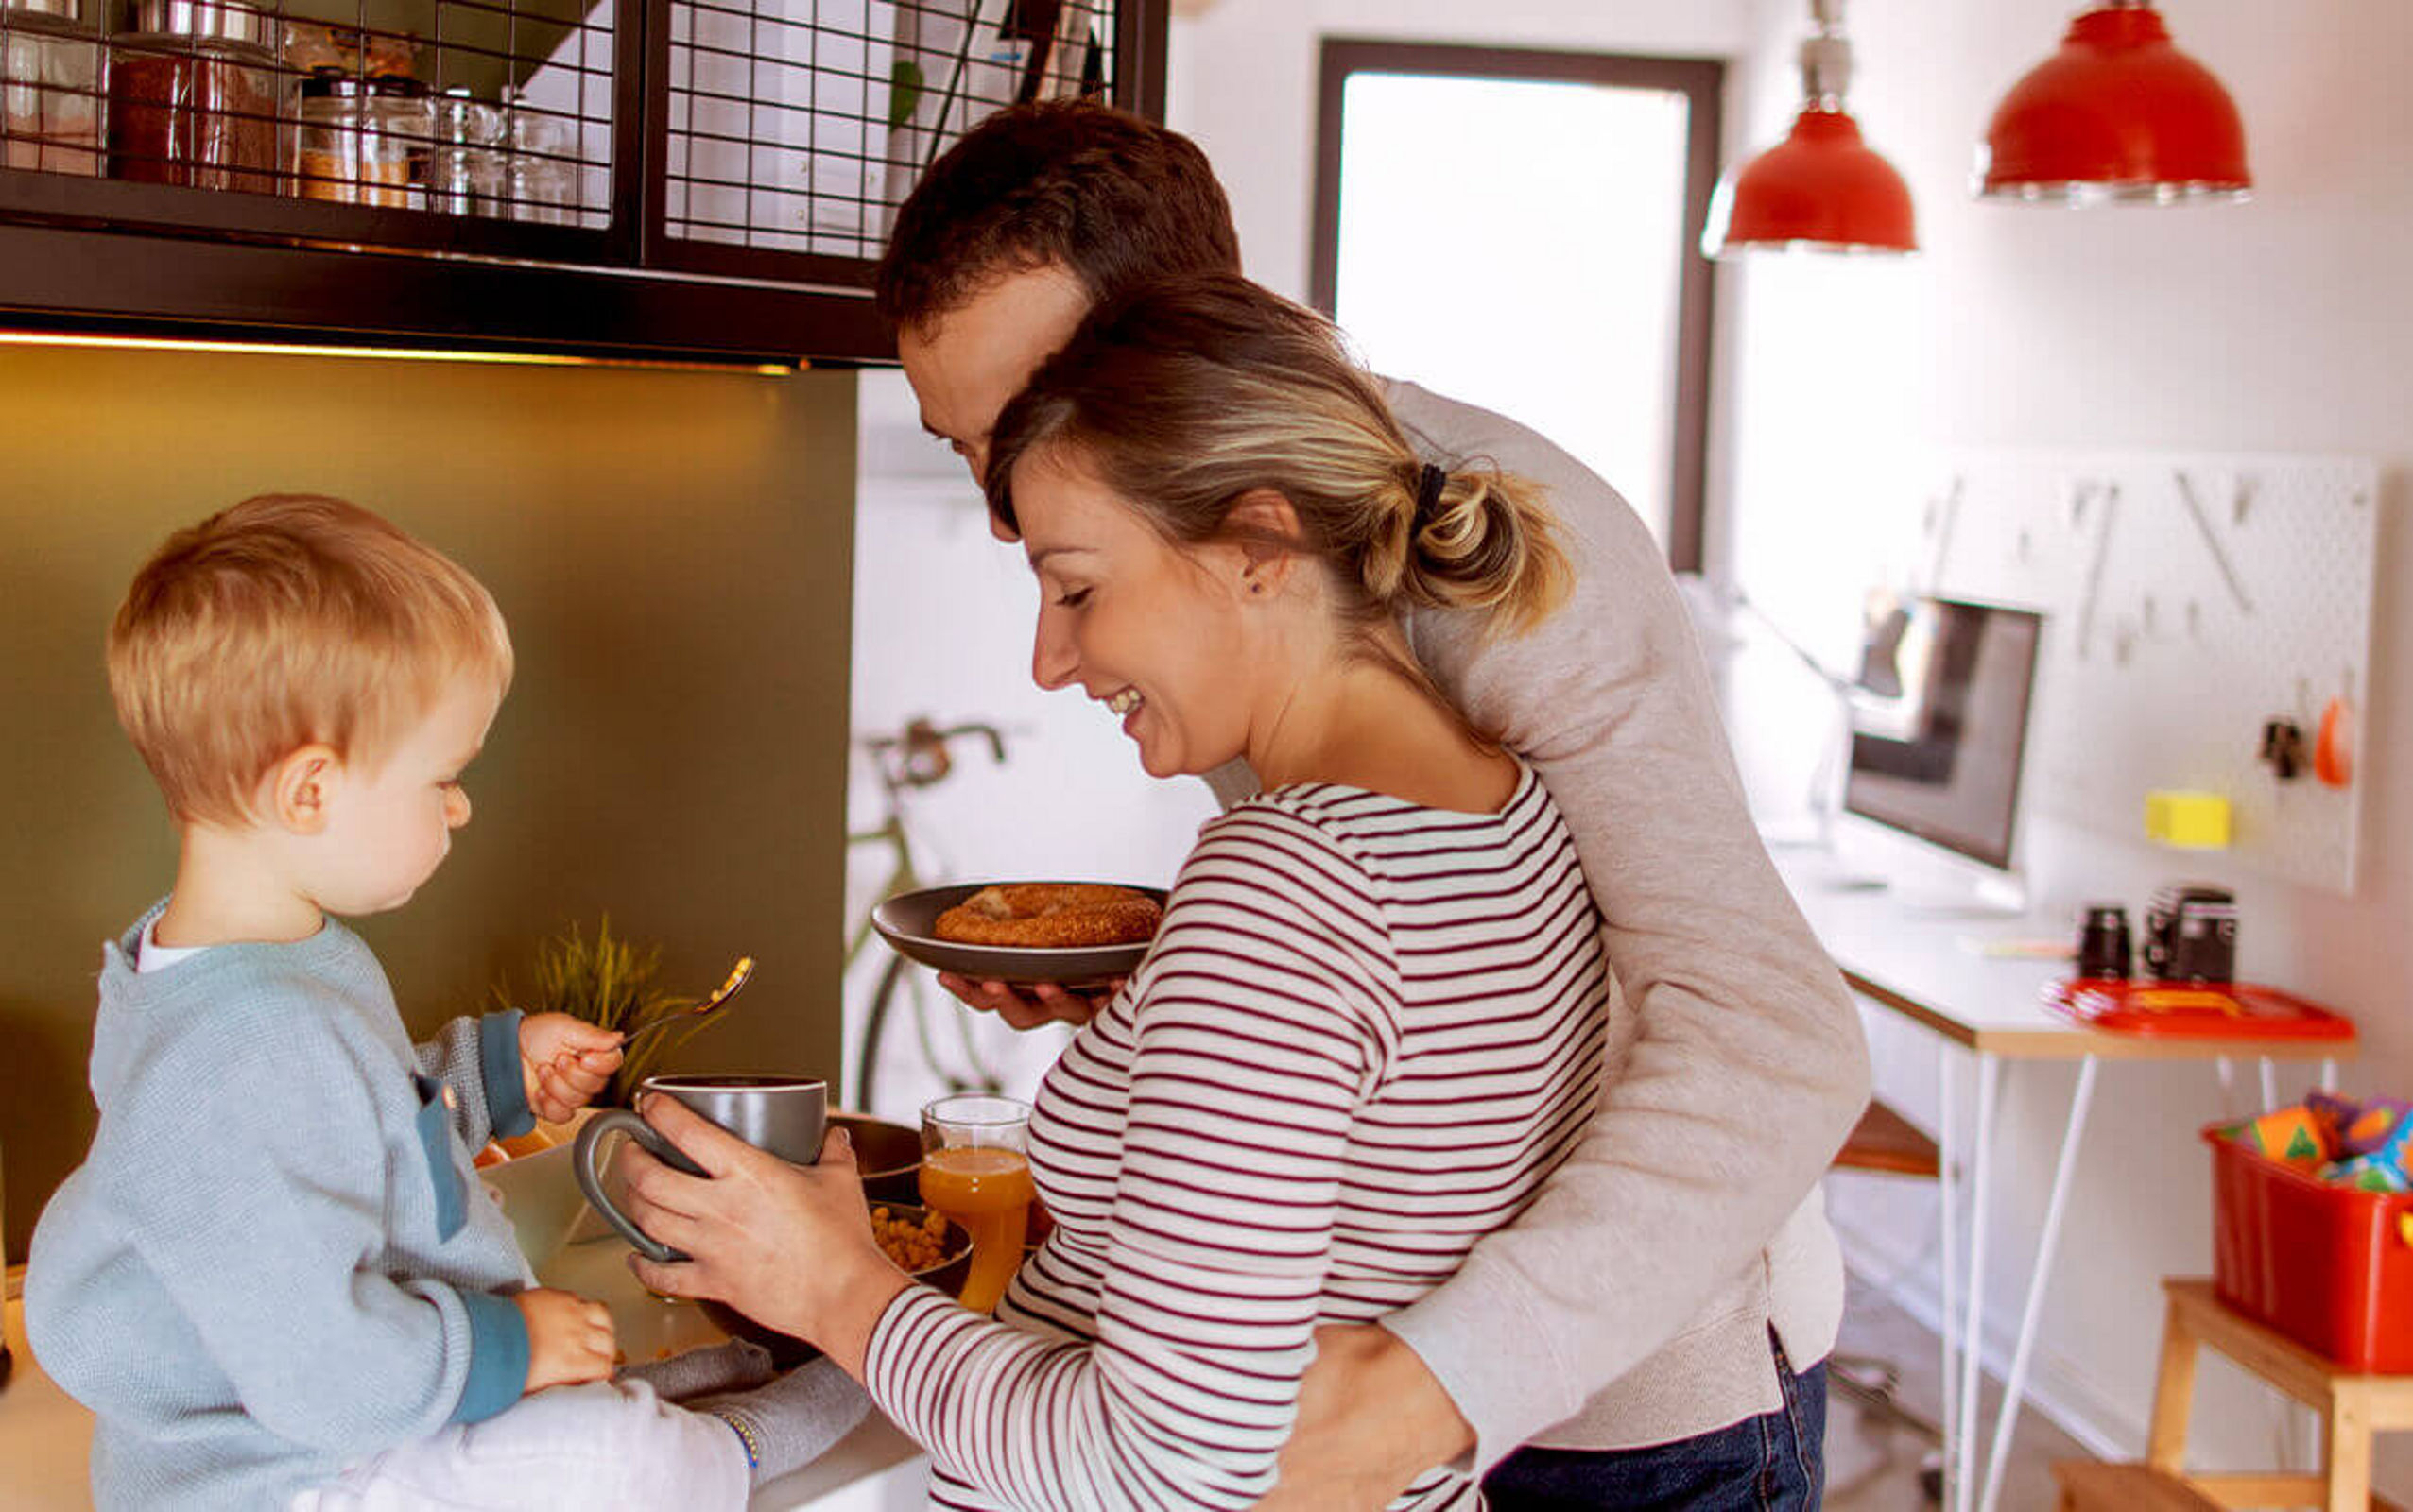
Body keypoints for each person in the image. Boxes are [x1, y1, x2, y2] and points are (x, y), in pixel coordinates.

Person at [871, 102, 1870, 1509]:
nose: (1003, 506)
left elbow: (1778, 1038)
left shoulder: (1516, 560)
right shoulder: (1216, 566)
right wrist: (1174, 1007)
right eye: (965, 447)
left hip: (1628, 1409)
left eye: (1028, 412)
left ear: (1184, 343)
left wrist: (1438, 1385)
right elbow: (1425, 959)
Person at [616, 272, 1617, 1510]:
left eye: (1078, 587)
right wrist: (1161, 1022)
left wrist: (827, 1283)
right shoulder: (1507, 809)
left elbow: (1166, 1470)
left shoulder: (1281, 887)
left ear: (1259, 544)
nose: (1048, 660)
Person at [25, 494, 867, 1511]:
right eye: (443, 776)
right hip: (289, 1471)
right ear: (310, 792)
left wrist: (493, 1071)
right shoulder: (240, 1051)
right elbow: (313, 1365)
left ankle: (644, 1397)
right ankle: (731, 1446)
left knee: (579, 1391)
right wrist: (508, 1344)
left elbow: (349, 1122)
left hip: (347, 1407)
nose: (461, 805)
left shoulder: (237, 967)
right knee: (622, 1462)